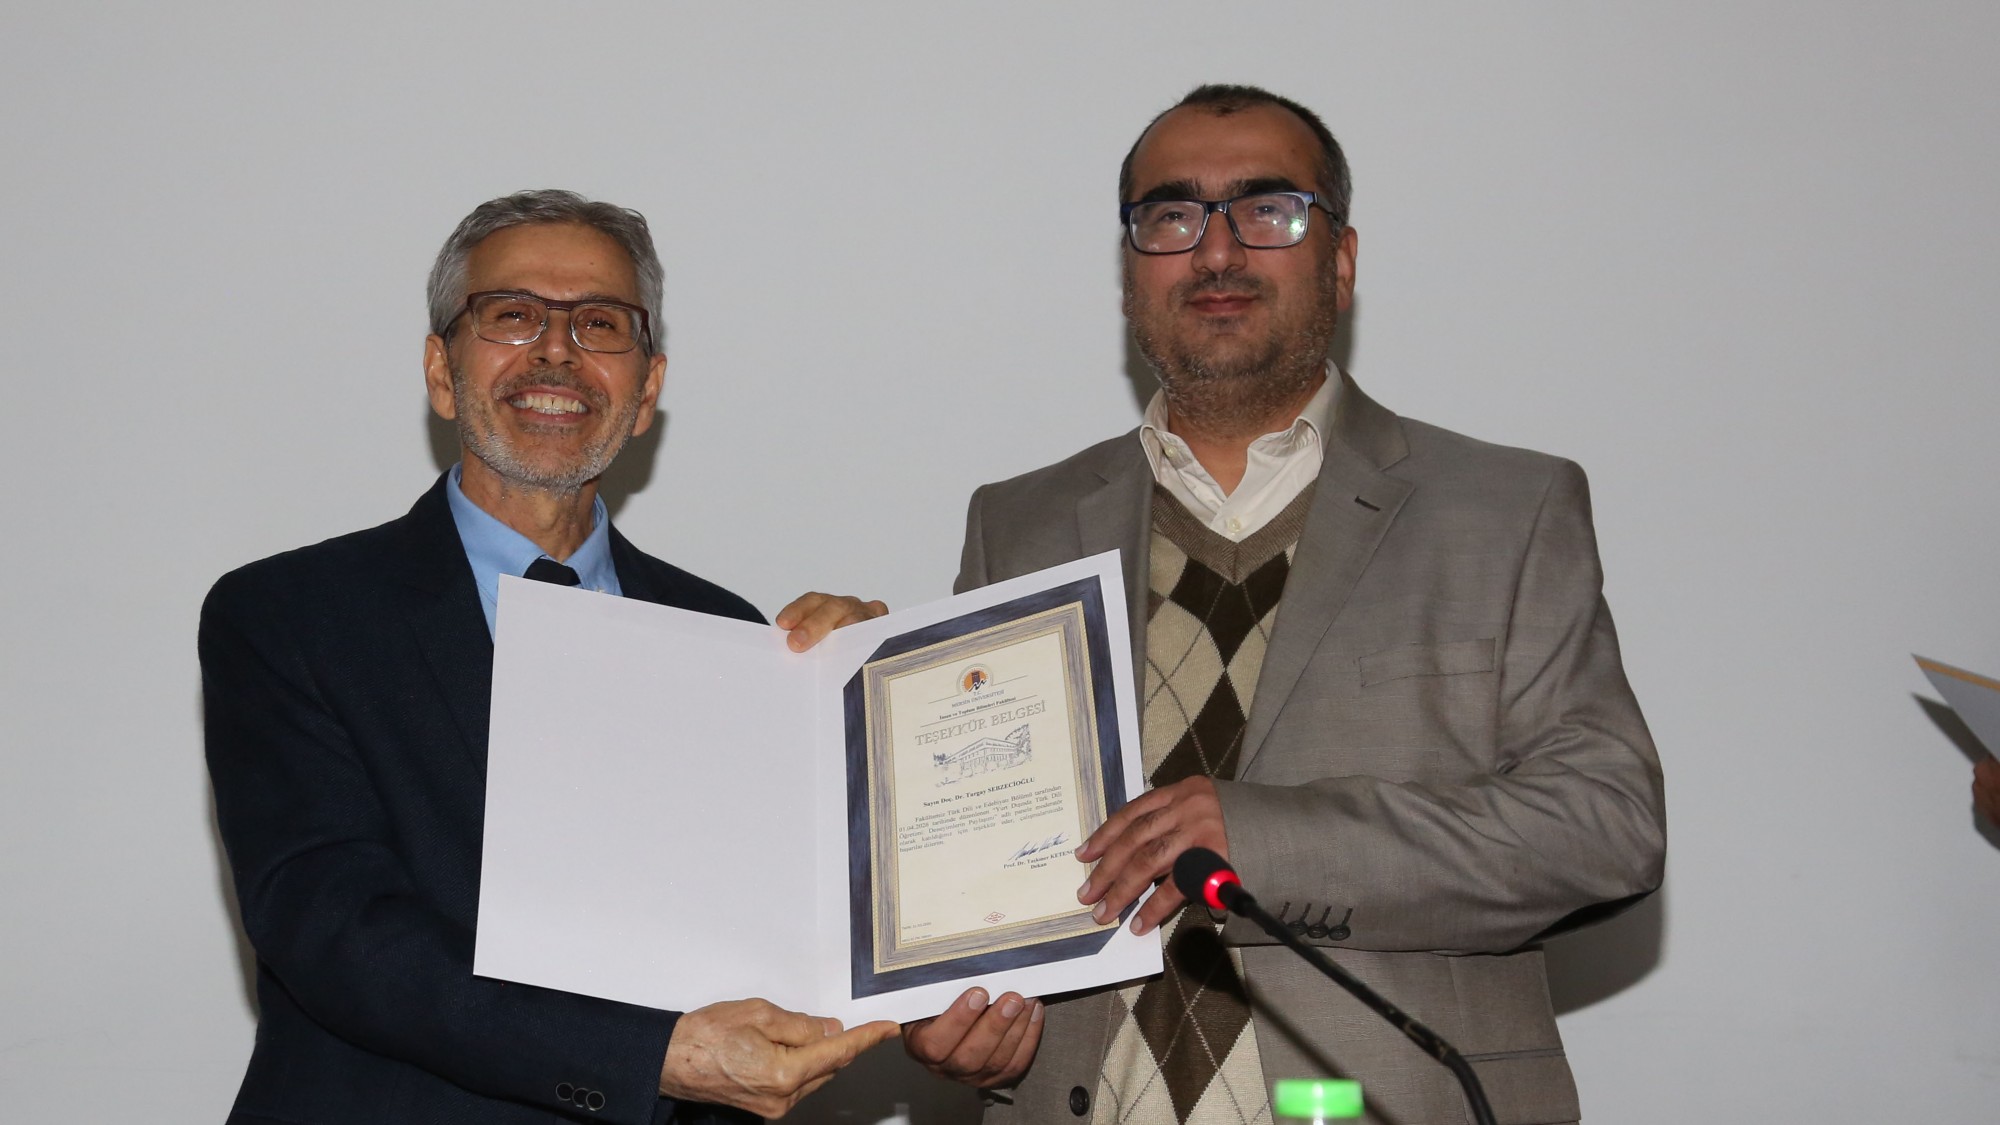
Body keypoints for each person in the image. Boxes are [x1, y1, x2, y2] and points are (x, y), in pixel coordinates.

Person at [904, 86, 1666, 1124]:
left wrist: (1263, 841)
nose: (1216, 250)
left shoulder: (1507, 509)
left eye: (1268, 210)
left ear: (1340, 262)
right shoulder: (1019, 524)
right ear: (1129, 271)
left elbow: (1603, 827)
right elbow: (979, 872)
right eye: (1172, 216)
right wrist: (962, 1027)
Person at [200, 189, 896, 1124]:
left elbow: (780, 928)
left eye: (600, 323)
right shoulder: (289, 616)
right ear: (442, 372)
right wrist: (650, 1057)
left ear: (646, 390)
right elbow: (335, 927)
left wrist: (857, 697)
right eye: (513, 314)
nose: (557, 350)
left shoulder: (732, 636)